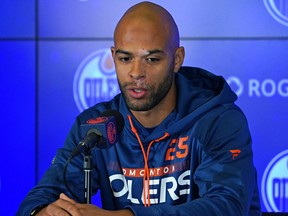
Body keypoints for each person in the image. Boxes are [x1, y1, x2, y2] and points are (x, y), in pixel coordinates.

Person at [18, 1, 261, 215]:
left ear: (177, 59)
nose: (136, 73)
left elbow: (227, 206)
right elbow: (43, 196)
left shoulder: (218, 119)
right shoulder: (95, 125)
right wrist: (43, 212)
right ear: (113, 56)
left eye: (152, 59)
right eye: (125, 58)